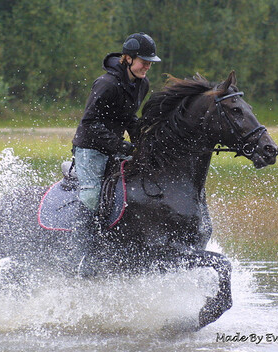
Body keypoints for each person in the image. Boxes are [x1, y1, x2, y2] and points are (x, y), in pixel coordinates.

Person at [71, 32, 161, 276]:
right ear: (128, 58)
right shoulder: (106, 84)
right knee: (91, 196)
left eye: (150, 61)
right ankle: (80, 256)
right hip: (90, 149)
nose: (148, 65)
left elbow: (129, 118)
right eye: (144, 61)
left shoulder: (142, 84)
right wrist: (123, 147)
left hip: (113, 148)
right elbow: (89, 123)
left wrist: (142, 144)